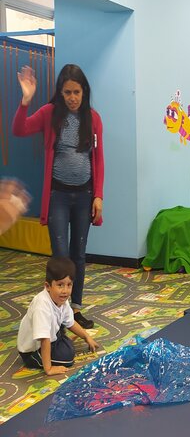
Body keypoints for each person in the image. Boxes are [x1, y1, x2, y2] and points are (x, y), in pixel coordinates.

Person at [13, 64, 105, 329]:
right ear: (60, 93)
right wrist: (26, 100)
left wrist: (98, 195)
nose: (72, 98)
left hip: (84, 195)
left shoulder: (93, 118)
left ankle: (74, 311)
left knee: (79, 255)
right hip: (58, 196)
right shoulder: (50, 113)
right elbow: (19, 130)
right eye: (67, 93)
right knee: (61, 256)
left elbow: (98, 159)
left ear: (84, 92)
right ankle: (56, 315)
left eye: (77, 92)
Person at [17, 256, 99, 375]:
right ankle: (60, 346)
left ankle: (63, 342)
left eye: (69, 285)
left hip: (52, 336)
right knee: (67, 357)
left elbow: (70, 323)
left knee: (66, 345)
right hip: (32, 351)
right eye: (60, 285)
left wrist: (86, 337)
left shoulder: (61, 299)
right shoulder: (42, 306)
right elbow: (44, 339)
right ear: (47, 286)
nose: (65, 290)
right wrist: (49, 369)